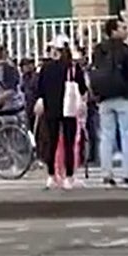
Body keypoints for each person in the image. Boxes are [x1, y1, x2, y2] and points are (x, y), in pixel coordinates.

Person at [90, 18, 128, 187]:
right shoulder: (126, 50)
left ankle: (106, 173)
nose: (126, 30)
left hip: (104, 98)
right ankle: (127, 174)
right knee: (127, 136)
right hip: (125, 96)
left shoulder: (98, 49)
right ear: (113, 31)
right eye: (123, 27)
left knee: (106, 136)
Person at [36, 36, 87, 189]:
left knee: (51, 142)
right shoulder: (73, 67)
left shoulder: (46, 67)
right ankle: (68, 177)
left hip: (51, 108)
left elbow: (40, 88)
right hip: (68, 108)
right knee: (69, 143)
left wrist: (42, 101)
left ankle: (51, 176)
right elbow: (82, 88)